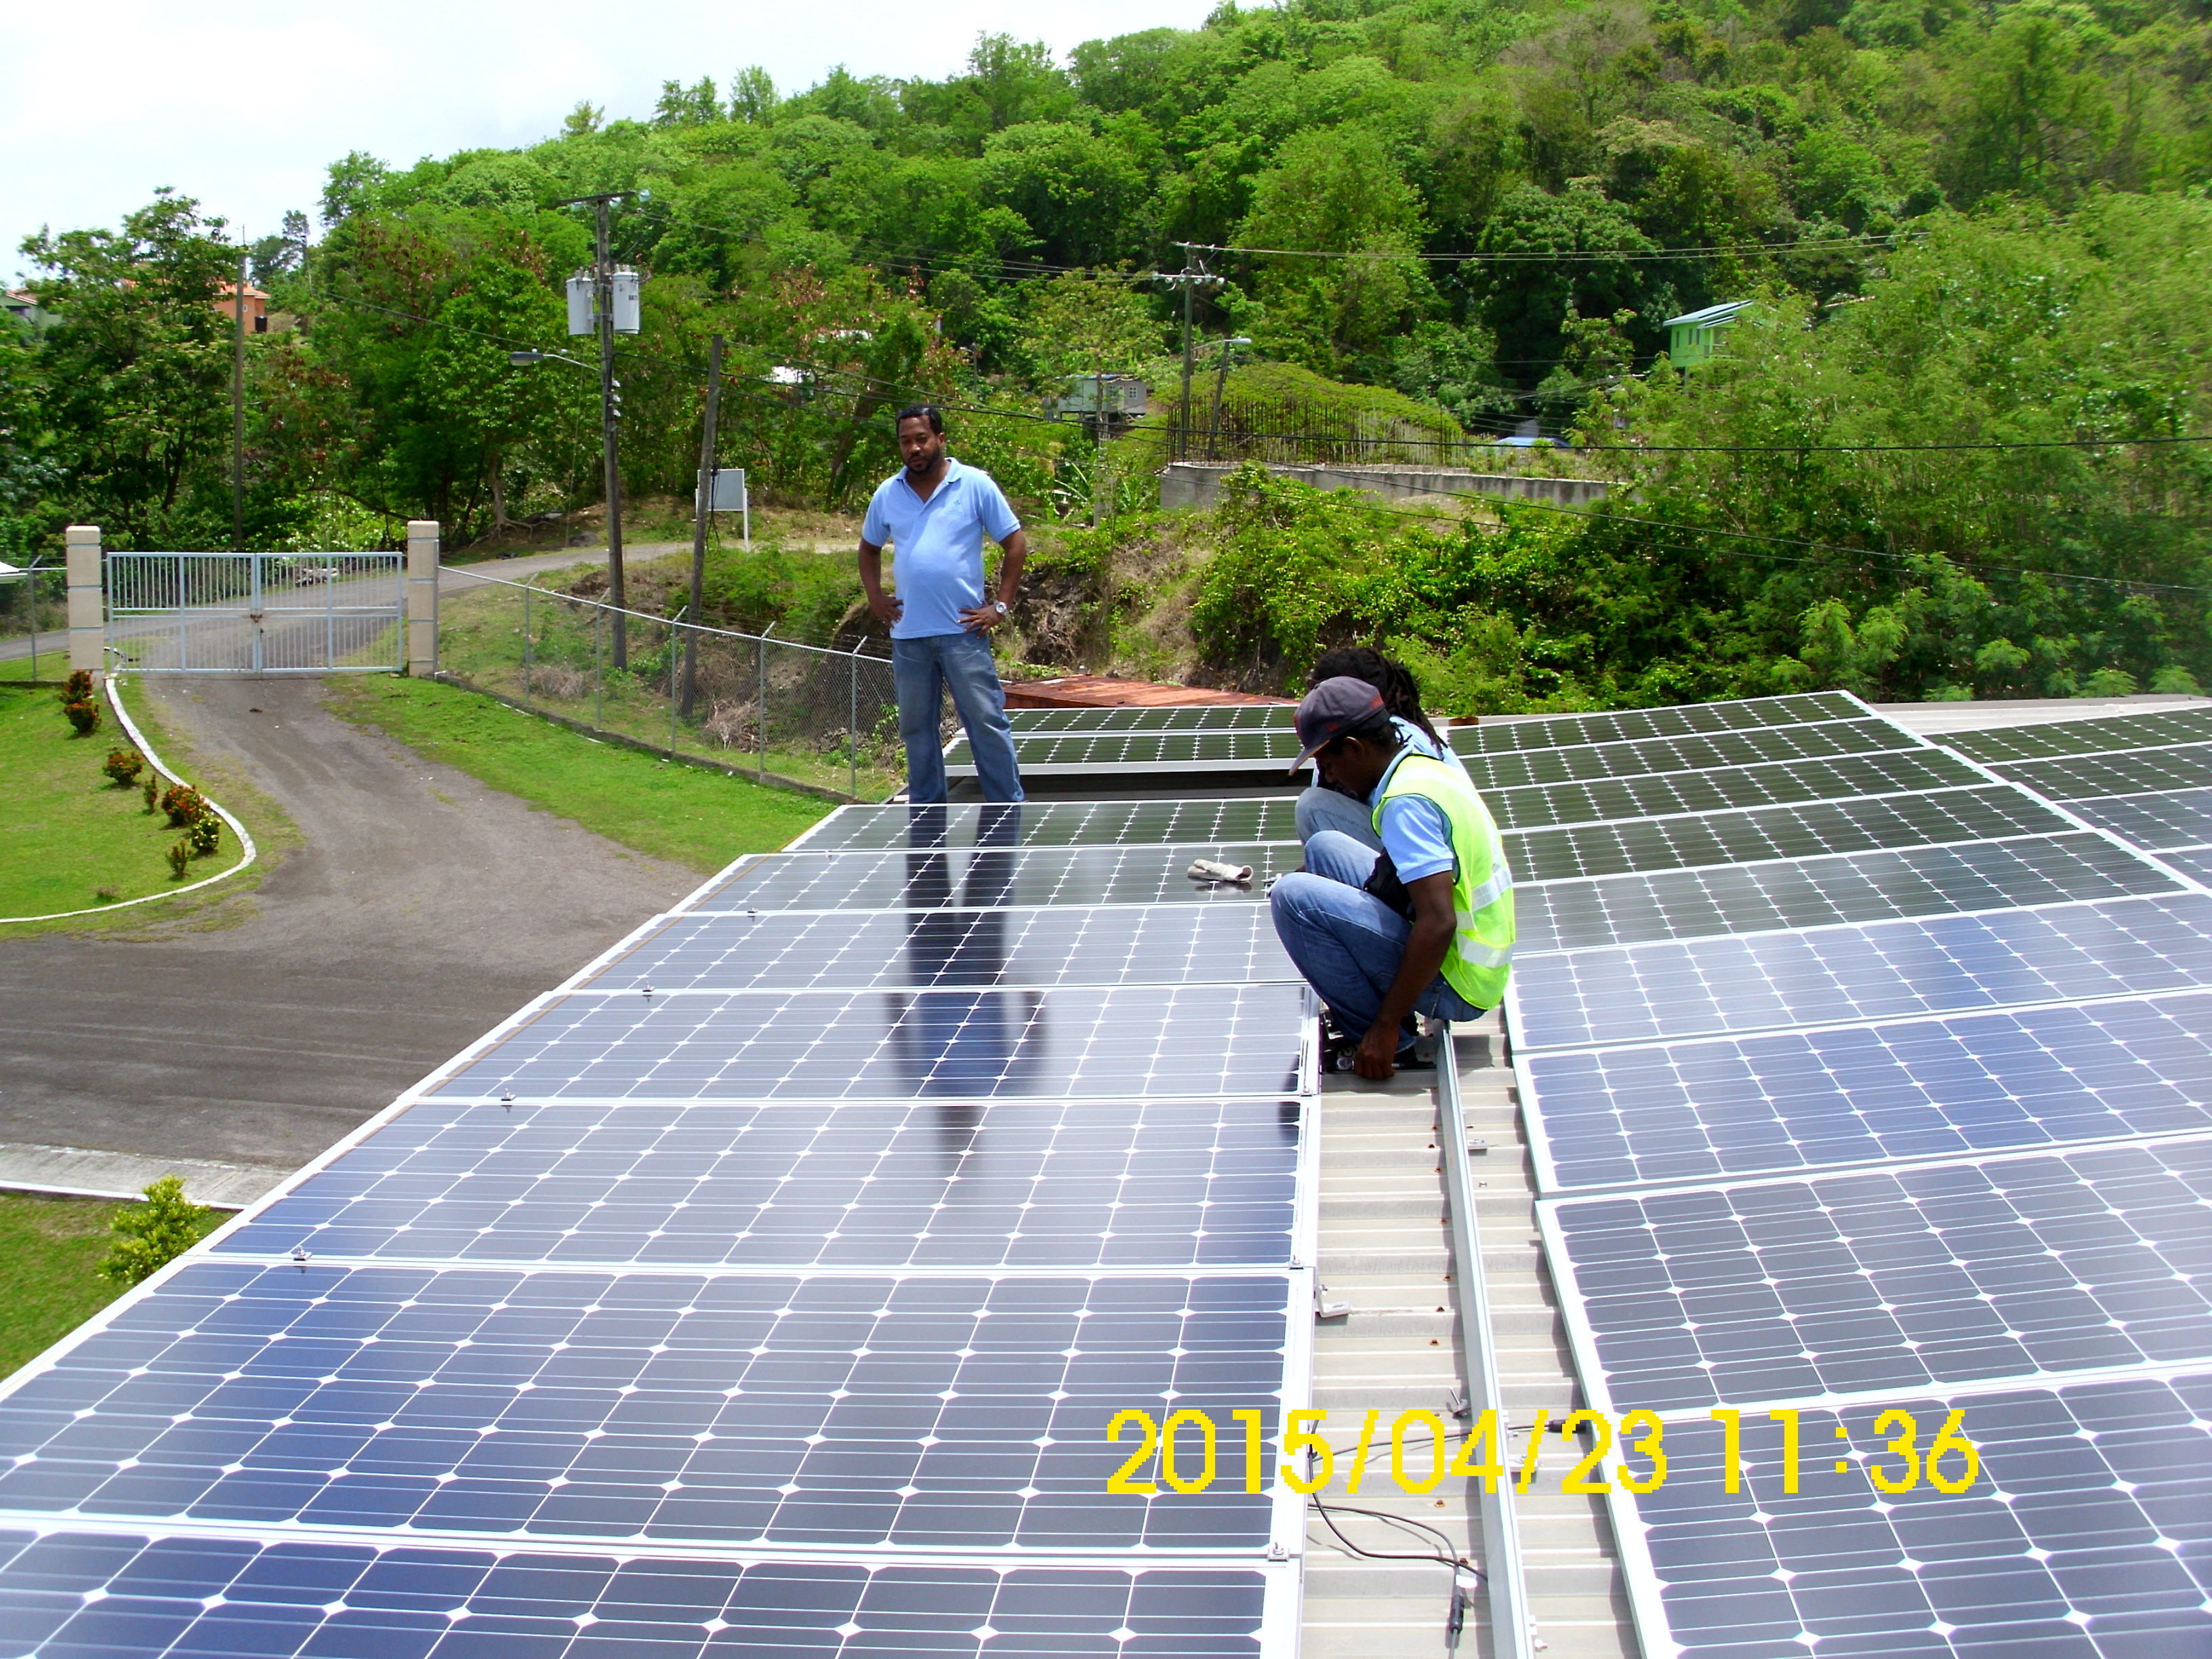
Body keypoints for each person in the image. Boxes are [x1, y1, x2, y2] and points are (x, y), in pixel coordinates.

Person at [1270, 677, 1515, 1080]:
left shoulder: (1406, 805)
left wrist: (1384, 1026)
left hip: (1460, 980)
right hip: (1465, 955)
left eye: (1329, 764)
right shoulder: (1419, 767)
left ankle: (1387, 1040)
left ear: (1354, 748)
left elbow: (1439, 923)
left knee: (1292, 898)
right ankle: (1384, 1015)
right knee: (1325, 845)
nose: (1329, 777)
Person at [859, 405, 1027, 804]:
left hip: (963, 634)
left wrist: (1000, 606)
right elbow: (868, 551)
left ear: (940, 439)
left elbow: (1015, 543)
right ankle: (928, 815)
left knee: (985, 723)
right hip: (910, 636)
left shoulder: (974, 485)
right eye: (906, 441)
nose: (914, 448)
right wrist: (876, 598)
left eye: (921, 438)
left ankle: (1007, 808)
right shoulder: (888, 493)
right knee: (916, 730)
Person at [1295, 646, 1470, 853]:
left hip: (1435, 855)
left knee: (1312, 808)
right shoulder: (1367, 741)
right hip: (1417, 847)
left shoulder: (1406, 749)